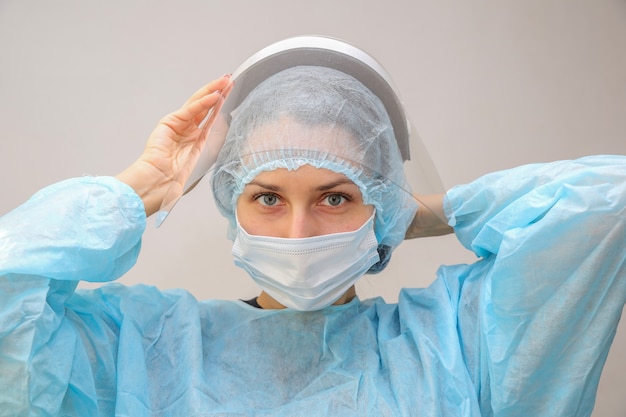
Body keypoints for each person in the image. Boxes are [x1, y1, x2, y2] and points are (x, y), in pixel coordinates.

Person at [0, 37, 624, 417]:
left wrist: (419, 212)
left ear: (378, 205)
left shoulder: (454, 348)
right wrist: (139, 191)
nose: (298, 234)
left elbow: (607, 204)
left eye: (335, 198)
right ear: (230, 206)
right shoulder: (143, 349)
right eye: (268, 198)